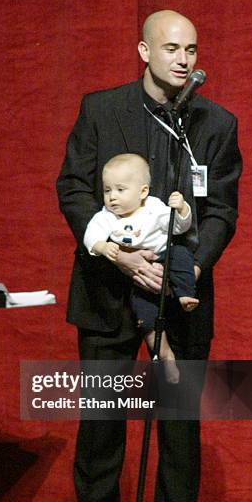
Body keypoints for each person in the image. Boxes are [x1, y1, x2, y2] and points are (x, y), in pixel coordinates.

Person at [56, 9, 242, 502]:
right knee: (102, 427)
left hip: (179, 295)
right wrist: (120, 254)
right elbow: (73, 188)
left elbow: (222, 211)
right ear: (143, 51)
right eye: (170, 48)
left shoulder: (215, 121)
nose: (183, 59)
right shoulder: (101, 109)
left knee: (180, 428)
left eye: (191, 48)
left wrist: (182, 264)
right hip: (107, 295)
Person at [84, 152, 199, 384]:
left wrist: (183, 209)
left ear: (143, 192)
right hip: (136, 274)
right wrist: (103, 247)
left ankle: (186, 294)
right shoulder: (107, 216)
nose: (112, 198)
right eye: (107, 191)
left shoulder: (154, 207)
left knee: (182, 255)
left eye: (120, 190)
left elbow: (178, 228)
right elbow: (90, 234)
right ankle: (164, 353)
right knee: (143, 311)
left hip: (163, 255)